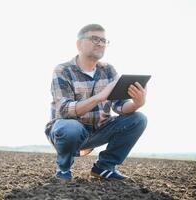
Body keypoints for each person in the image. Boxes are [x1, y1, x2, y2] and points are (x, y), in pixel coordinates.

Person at [44, 24, 148, 181]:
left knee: (138, 118)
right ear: (79, 44)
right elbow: (65, 110)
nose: (100, 43)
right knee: (70, 127)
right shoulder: (63, 70)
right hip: (68, 131)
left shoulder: (108, 70)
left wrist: (137, 103)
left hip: (100, 129)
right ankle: (64, 169)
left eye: (104, 40)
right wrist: (100, 96)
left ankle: (104, 167)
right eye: (95, 39)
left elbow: (119, 105)